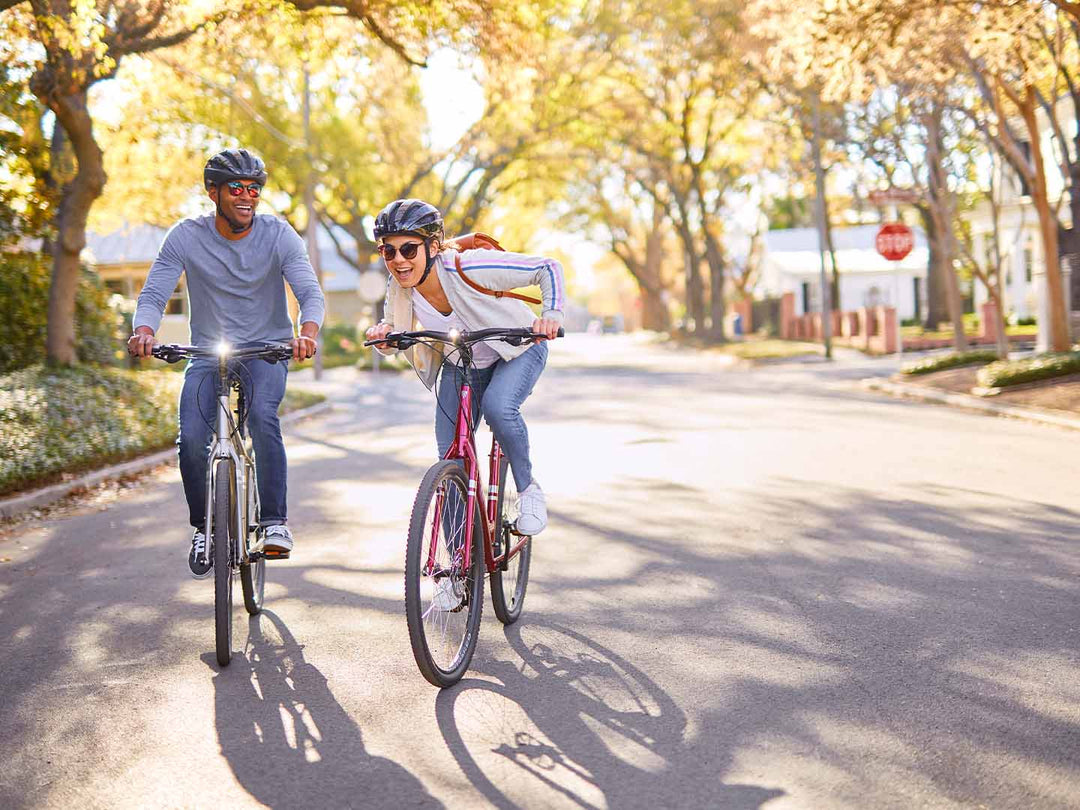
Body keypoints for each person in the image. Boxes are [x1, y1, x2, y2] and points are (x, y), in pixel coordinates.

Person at [127, 148, 325, 577]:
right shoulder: (185, 236)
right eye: (236, 188)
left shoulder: (279, 235)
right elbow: (156, 292)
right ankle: (203, 527)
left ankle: (274, 523)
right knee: (192, 437)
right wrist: (145, 329)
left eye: (254, 189)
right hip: (207, 353)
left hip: (267, 350)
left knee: (262, 421)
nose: (247, 196)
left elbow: (310, 293)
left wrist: (306, 334)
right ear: (213, 191)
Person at [364, 199, 564, 535]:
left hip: (516, 351)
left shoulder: (467, 266)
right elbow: (392, 327)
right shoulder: (399, 286)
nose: (398, 260)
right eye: (389, 252)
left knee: (499, 408)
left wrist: (552, 316)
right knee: (449, 460)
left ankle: (529, 490)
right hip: (464, 363)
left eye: (409, 249)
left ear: (432, 246)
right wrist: (384, 337)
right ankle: (453, 569)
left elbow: (548, 268)